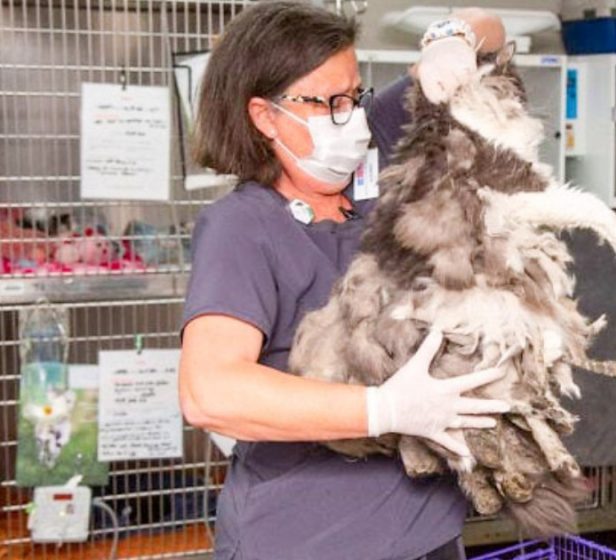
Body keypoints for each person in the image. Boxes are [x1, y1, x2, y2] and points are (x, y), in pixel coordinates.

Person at [178, 3, 508, 559]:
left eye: (354, 95)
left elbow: (488, 29)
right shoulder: (241, 227)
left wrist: (451, 41)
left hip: (428, 531)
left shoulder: (371, 147)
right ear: (264, 116)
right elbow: (208, 393)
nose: (351, 117)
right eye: (329, 103)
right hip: (310, 539)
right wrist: (382, 410)